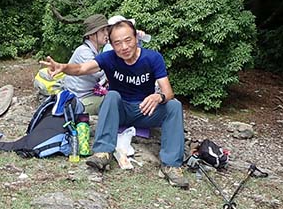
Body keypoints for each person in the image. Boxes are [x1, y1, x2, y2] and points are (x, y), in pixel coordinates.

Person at [41, 17, 188, 188]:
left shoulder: (153, 58)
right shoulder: (109, 58)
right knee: (112, 95)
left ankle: (171, 165)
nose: (124, 47)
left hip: (145, 110)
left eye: (128, 40)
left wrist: (158, 97)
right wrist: (63, 67)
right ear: (111, 44)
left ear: (136, 38)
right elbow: (81, 69)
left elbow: (168, 92)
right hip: (120, 111)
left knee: (174, 105)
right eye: (117, 43)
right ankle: (103, 152)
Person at [61, 14, 110, 115]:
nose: (107, 33)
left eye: (107, 30)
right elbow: (99, 73)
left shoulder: (95, 51)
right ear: (91, 35)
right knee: (114, 101)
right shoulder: (84, 51)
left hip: (85, 96)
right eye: (102, 30)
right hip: (79, 101)